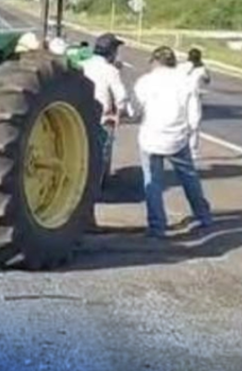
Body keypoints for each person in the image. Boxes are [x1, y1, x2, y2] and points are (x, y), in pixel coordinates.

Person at [133, 46, 213, 238]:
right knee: (189, 178)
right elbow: (194, 116)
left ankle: (157, 226)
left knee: (152, 181)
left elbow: (136, 110)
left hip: (151, 137)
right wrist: (189, 133)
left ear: (154, 61)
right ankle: (203, 216)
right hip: (177, 138)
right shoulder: (186, 81)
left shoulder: (145, 82)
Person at [80, 33, 131, 187]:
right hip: (102, 117)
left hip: (81, 115)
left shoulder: (83, 65)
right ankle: (99, 184)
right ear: (111, 52)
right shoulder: (110, 71)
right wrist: (120, 113)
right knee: (102, 152)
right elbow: (121, 96)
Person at [178, 47, 210, 159]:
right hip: (181, 97)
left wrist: (203, 69)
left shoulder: (201, 69)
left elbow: (207, 80)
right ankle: (179, 147)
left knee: (194, 123)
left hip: (193, 97)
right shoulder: (182, 67)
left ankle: (193, 150)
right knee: (181, 122)